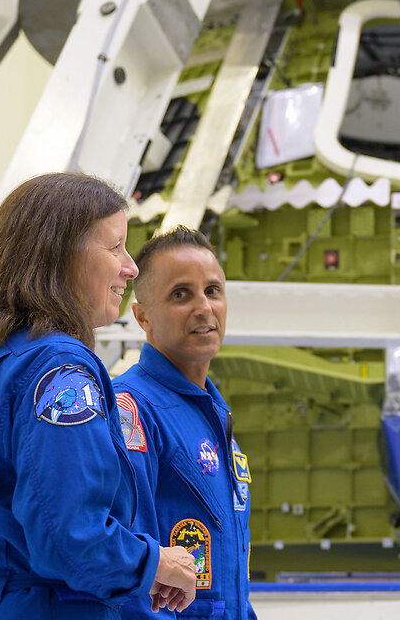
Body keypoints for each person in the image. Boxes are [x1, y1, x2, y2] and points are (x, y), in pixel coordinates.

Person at [0, 172, 197, 618]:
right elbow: (68, 533)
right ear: (61, 255)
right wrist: (155, 562)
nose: (130, 267)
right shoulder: (59, 368)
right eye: (114, 247)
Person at [113, 227, 257, 620]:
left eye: (212, 291)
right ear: (142, 315)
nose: (203, 308)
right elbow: (127, 568)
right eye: (181, 294)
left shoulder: (212, 413)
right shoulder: (131, 409)